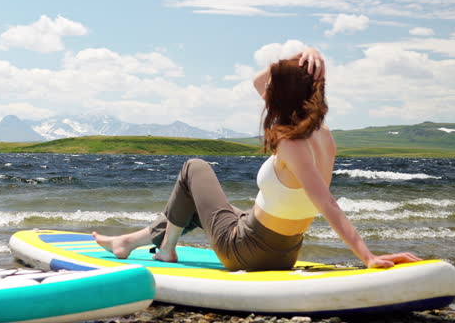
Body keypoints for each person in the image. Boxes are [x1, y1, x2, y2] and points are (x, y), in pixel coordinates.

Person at [93, 48, 420, 271]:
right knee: (209, 205)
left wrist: (367, 256)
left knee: (195, 168)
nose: (266, 91)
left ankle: (166, 251)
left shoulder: (291, 143)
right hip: (285, 254)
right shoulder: (325, 135)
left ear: (282, 94)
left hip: (245, 250)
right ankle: (130, 241)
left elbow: (328, 203)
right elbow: (260, 82)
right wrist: (309, 57)